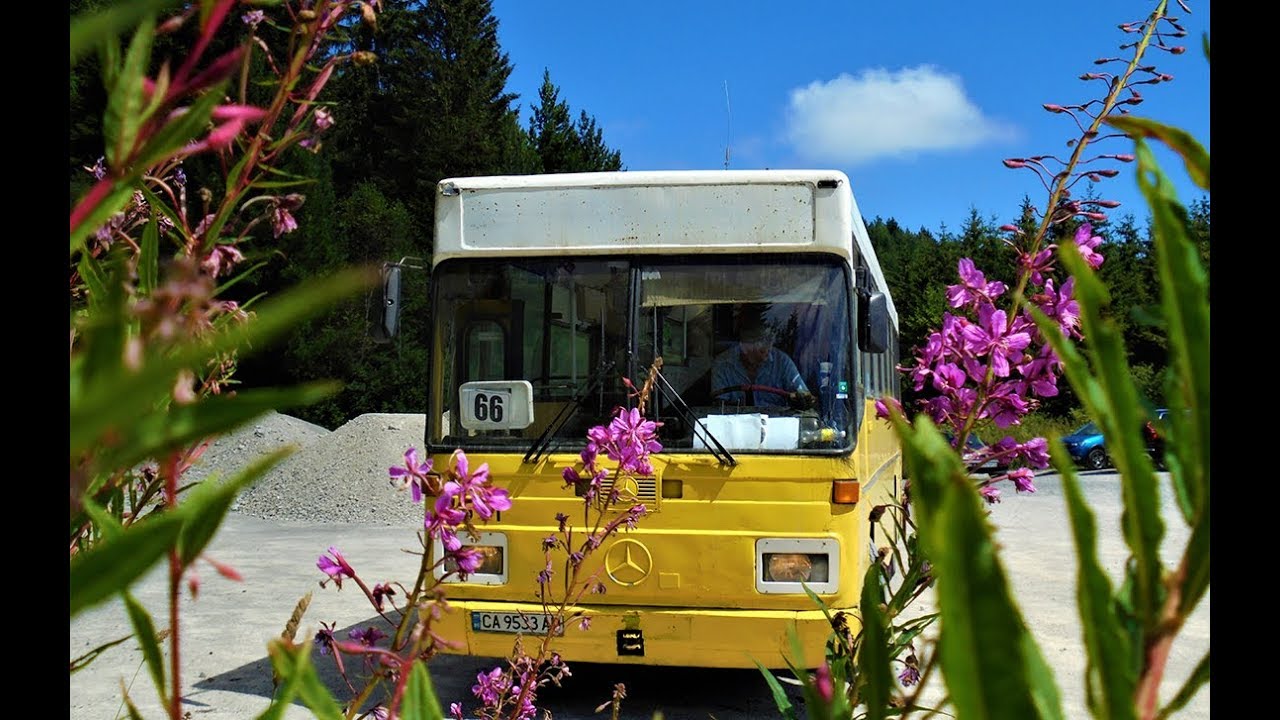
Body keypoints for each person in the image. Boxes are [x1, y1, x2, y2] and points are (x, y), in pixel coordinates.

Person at [711, 308, 813, 408]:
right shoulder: (723, 364)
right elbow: (720, 408)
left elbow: (804, 396)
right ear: (744, 342)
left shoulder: (782, 362)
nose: (767, 347)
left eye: (768, 340)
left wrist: (801, 400)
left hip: (777, 422)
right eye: (757, 340)